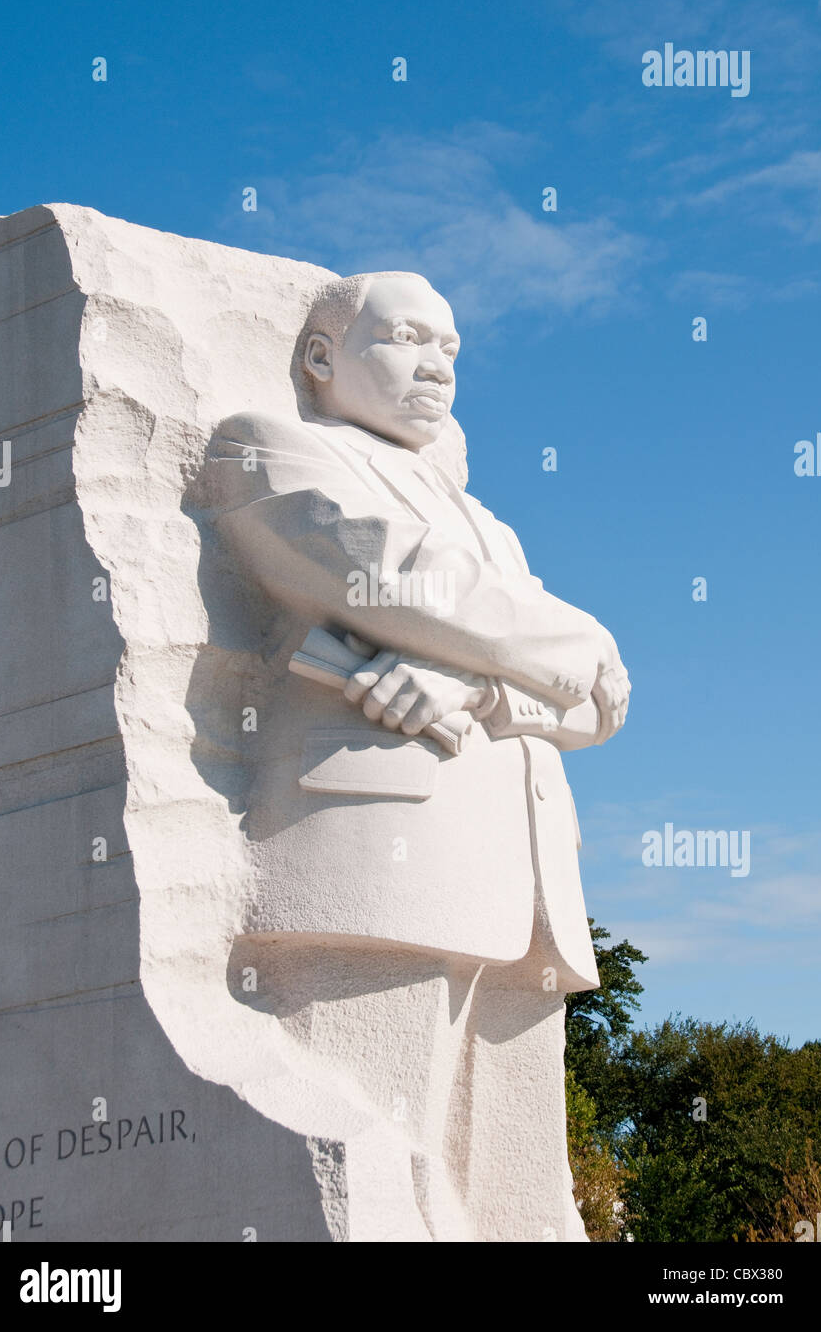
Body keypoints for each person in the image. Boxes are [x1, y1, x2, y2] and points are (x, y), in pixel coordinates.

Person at [205, 270, 630, 1241]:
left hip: (523, 886)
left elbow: (596, 706)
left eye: (450, 349)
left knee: (521, 1199)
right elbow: (403, 580)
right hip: (381, 858)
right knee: (378, 1174)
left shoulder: (493, 528)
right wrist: (579, 645)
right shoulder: (271, 447)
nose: (436, 366)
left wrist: (474, 685)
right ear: (321, 358)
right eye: (406, 340)